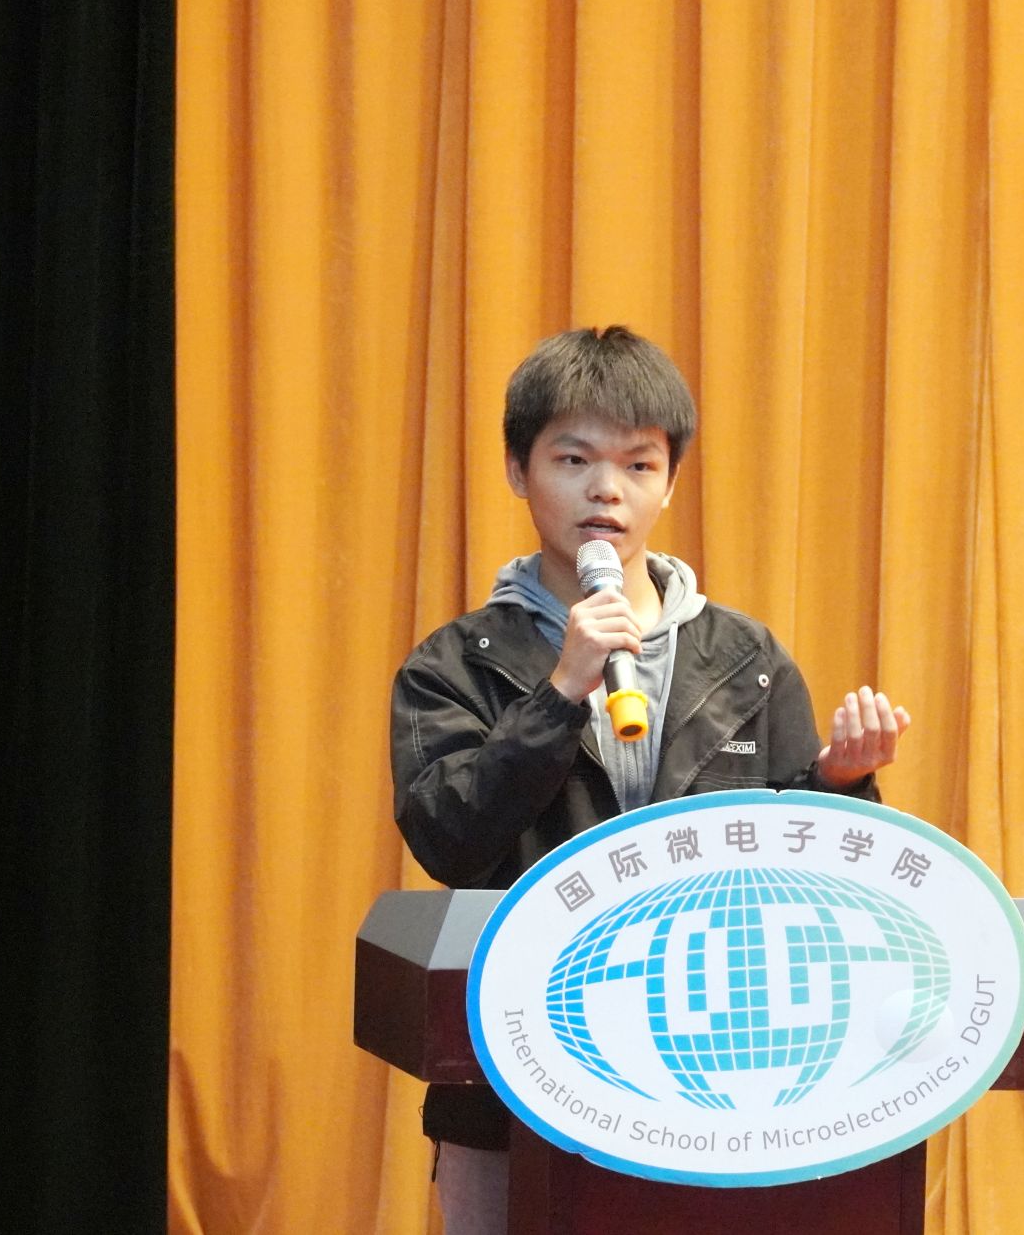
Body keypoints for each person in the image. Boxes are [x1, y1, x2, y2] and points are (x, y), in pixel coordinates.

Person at [389, 325, 912, 1235]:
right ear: (517, 469)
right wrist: (559, 693)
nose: (607, 489)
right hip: (516, 1077)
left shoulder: (746, 659)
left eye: (639, 464)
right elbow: (447, 836)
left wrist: (839, 780)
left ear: (669, 484)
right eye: (574, 459)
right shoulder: (456, 664)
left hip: (706, 1077)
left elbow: (796, 877)